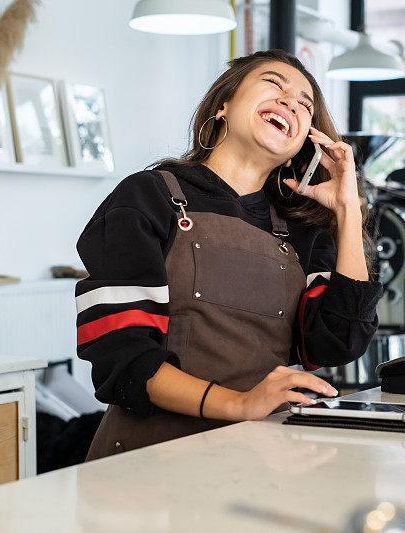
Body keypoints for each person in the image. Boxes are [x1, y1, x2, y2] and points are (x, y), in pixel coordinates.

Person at [76, 49, 383, 460]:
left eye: (305, 104)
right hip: (147, 466)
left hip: (260, 459)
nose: (291, 101)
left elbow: (336, 344)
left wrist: (348, 211)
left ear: (302, 143)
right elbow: (122, 357)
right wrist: (239, 405)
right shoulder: (148, 197)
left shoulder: (302, 233)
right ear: (224, 104)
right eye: (273, 84)